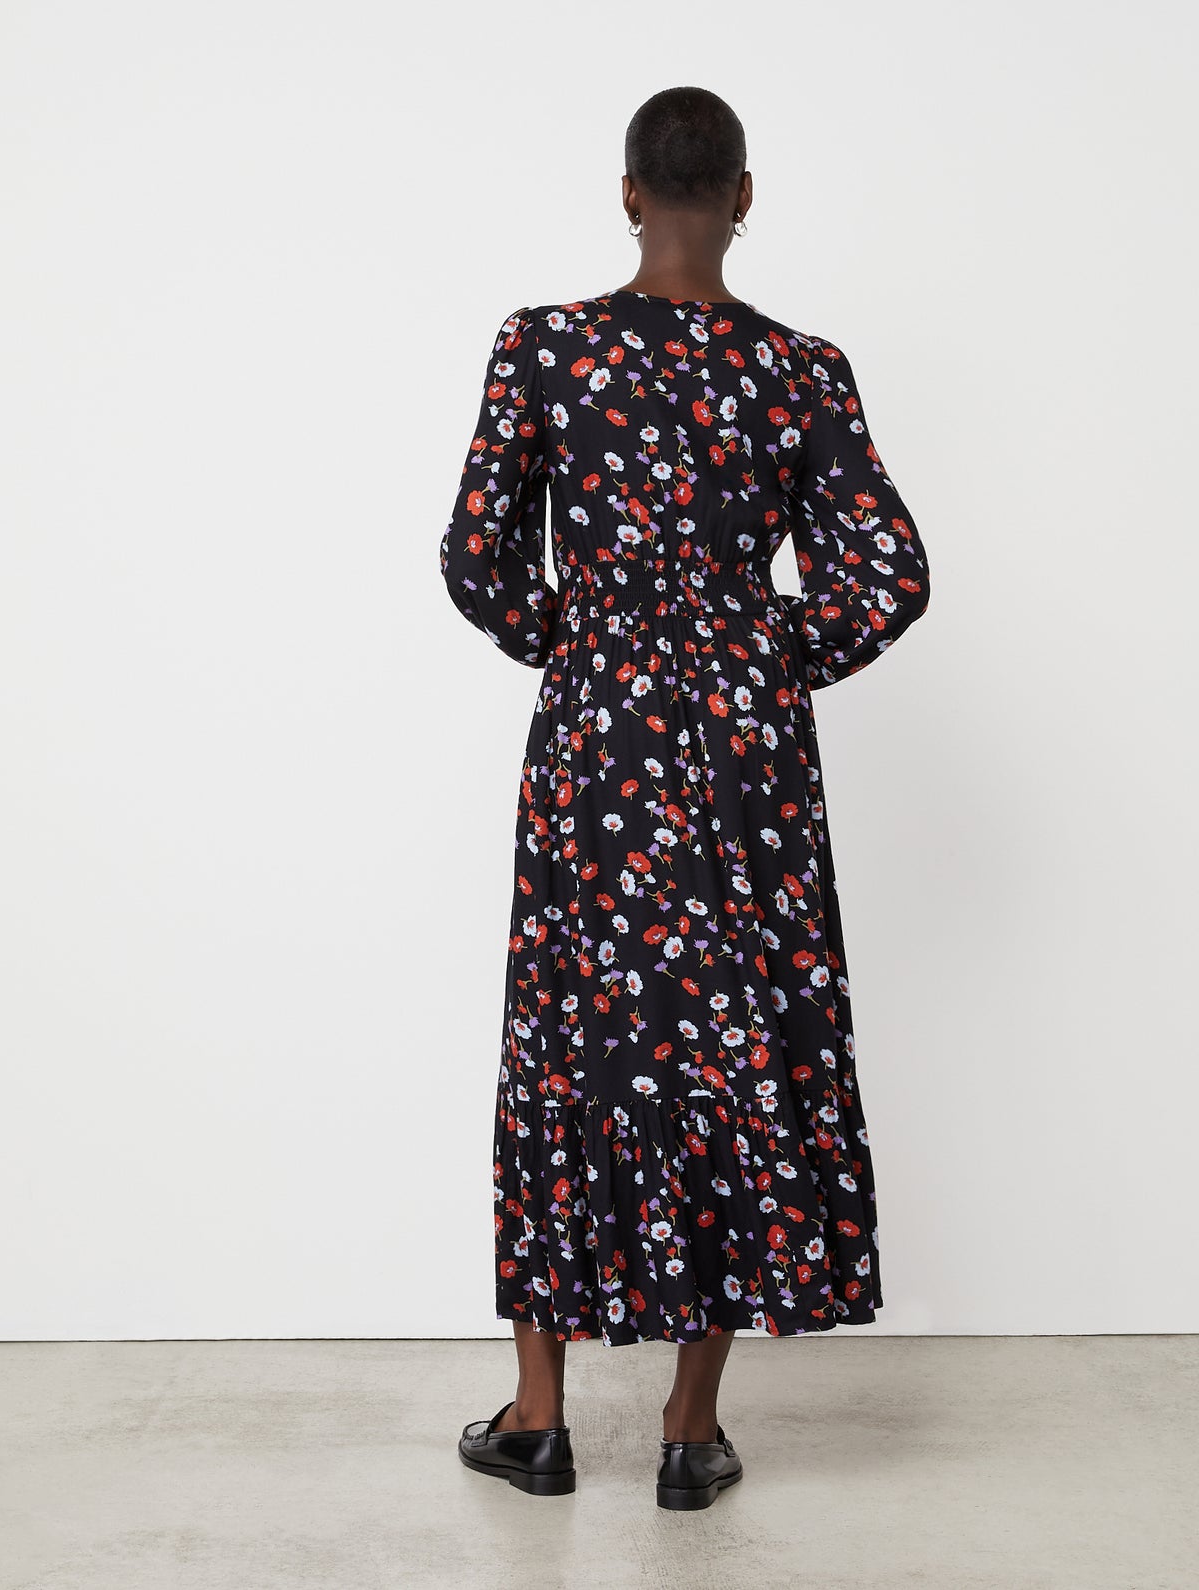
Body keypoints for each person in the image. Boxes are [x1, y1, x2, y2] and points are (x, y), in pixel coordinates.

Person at [441, 85, 931, 1507]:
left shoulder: (543, 352)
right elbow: (888, 571)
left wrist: (583, 642)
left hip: (596, 745)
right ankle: (685, 1429)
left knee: (564, 1037)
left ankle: (535, 1414)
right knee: (731, 1039)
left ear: (625, 193)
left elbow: (476, 557)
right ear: (743, 194)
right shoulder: (799, 370)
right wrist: (764, 651)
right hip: (742, 758)